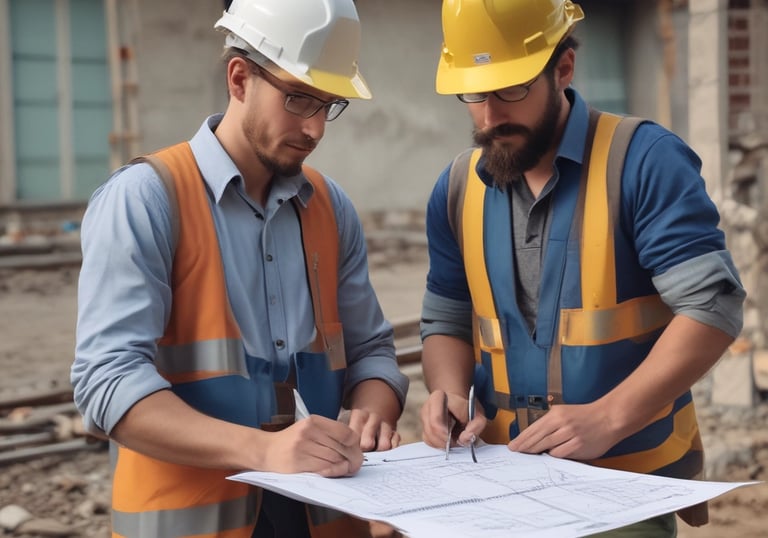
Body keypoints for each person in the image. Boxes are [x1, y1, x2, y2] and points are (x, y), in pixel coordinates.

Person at [71, 0, 409, 536]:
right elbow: (107, 382)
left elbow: (372, 353)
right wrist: (264, 450)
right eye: (299, 99)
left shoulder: (329, 205)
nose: (316, 127)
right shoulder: (145, 199)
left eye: (330, 104)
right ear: (238, 78)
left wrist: (374, 406)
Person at [419, 0, 745, 536]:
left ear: (563, 68)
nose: (489, 115)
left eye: (512, 89)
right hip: (498, 485)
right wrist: (449, 391)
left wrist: (610, 418)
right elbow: (446, 320)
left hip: (624, 488)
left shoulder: (643, 161)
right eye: (474, 93)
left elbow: (713, 305)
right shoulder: (456, 190)